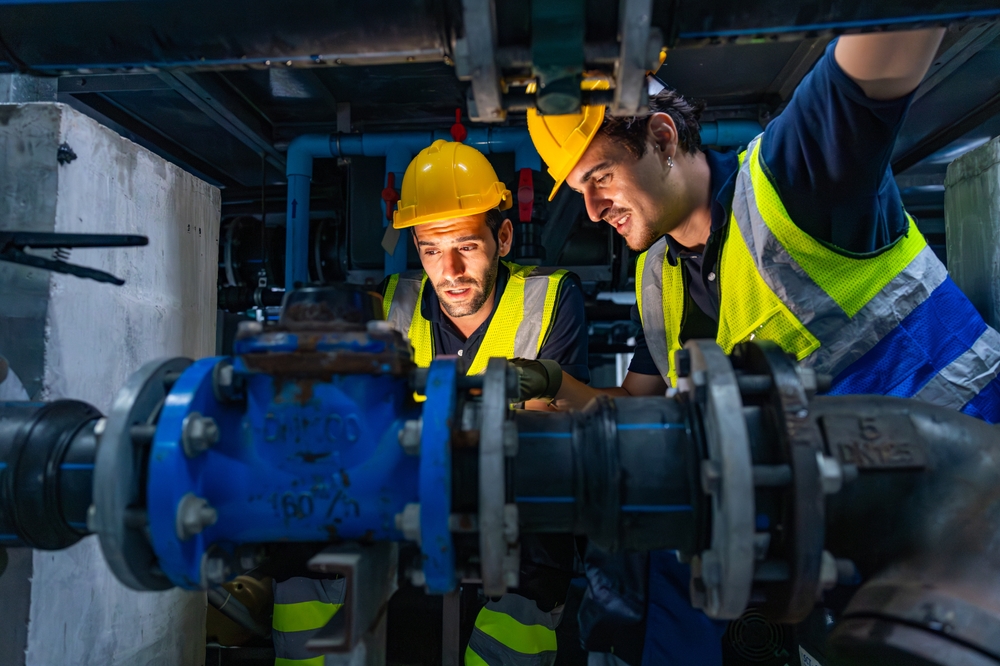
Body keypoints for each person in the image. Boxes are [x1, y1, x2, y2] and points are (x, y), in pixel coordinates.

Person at [522, 27, 1000, 665]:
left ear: (663, 138)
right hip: (846, 565)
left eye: (600, 177)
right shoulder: (657, 278)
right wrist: (553, 388)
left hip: (970, 519)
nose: (591, 209)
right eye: (577, 189)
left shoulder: (793, 179)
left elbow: (894, 32)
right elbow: (639, 413)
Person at [384, 139, 588, 665]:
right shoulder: (393, 304)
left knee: (543, 525)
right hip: (414, 517)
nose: (448, 270)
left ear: (502, 236)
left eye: (467, 246)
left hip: (517, 517)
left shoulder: (550, 298)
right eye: (430, 249)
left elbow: (544, 443)